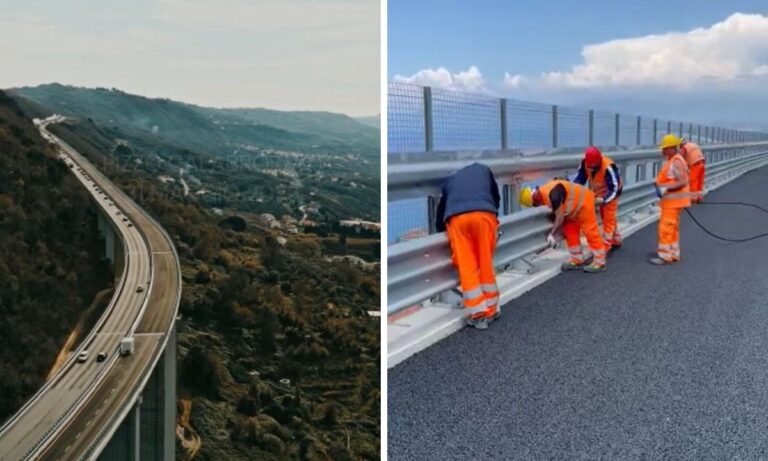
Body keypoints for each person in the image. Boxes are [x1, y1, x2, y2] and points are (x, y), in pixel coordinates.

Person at [435, 163, 501, 329]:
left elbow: (441, 210)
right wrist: (492, 213)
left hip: (458, 219)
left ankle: (478, 315)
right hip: (484, 215)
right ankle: (492, 309)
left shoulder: (451, 181)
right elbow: (495, 196)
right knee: (485, 262)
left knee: (467, 266)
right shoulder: (484, 169)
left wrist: (441, 231)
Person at [519, 178, 606, 273]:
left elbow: (559, 217)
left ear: (535, 198)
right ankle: (577, 259)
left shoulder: (552, 194)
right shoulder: (546, 192)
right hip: (572, 209)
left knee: (590, 231)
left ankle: (600, 261)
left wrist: (552, 234)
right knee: (570, 232)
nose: (539, 205)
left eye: (536, 204)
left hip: (584, 202)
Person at [650, 134, 691, 265]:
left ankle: (665, 256)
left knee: (666, 228)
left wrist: (665, 189)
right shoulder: (673, 159)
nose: (662, 151)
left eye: (665, 148)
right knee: (672, 229)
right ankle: (673, 253)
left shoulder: (677, 161)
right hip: (672, 201)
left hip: (673, 201)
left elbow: (682, 181)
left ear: (672, 148)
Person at [573, 146, 624, 250]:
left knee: (608, 217)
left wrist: (605, 199)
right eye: (590, 166)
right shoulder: (585, 163)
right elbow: (579, 180)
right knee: (604, 214)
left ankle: (605, 245)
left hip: (612, 192)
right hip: (598, 192)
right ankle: (616, 238)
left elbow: (613, 188)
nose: (591, 168)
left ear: (599, 160)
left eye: (594, 166)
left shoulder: (608, 166)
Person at [680, 138, 705, 203]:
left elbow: (681, 156)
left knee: (693, 181)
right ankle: (699, 197)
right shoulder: (693, 144)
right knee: (700, 181)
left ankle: (693, 198)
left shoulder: (684, 148)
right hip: (702, 163)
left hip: (696, 164)